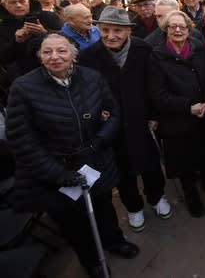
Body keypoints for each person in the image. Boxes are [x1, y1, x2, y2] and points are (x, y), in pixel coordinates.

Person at [6, 32, 139, 277]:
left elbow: (113, 112)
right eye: (47, 52)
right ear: (40, 56)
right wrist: (58, 173)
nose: (55, 57)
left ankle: (113, 241)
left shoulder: (92, 77)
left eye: (62, 51)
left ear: (73, 55)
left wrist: (99, 140)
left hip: (94, 160)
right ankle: (92, 260)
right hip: (56, 169)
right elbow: (21, 140)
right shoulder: (23, 88)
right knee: (73, 221)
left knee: (104, 207)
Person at [79, 6, 172, 233]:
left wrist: (154, 115)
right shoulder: (88, 56)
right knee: (122, 166)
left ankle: (157, 196)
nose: (112, 36)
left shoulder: (142, 49)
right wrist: (97, 110)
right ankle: (133, 206)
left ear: (128, 31)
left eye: (118, 30)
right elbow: (86, 90)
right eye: (106, 30)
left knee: (150, 161)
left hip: (141, 117)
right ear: (98, 29)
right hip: (111, 122)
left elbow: (154, 85)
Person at [147, 10, 205, 218]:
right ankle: (190, 193)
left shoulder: (199, 48)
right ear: (165, 30)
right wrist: (188, 107)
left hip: (202, 111)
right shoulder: (157, 55)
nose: (177, 30)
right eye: (172, 26)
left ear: (188, 29)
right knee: (183, 159)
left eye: (182, 26)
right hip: (176, 116)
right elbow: (158, 94)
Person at [0, 0, 62, 102]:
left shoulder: (47, 17)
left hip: (56, 73)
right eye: (13, 2)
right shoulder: (2, 27)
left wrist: (45, 33)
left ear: (28, 1)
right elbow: (3, 57)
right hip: (24, 80)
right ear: (4, 5)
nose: (18, 5)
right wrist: (16, 41)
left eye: (22, 1)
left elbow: (69, 42)